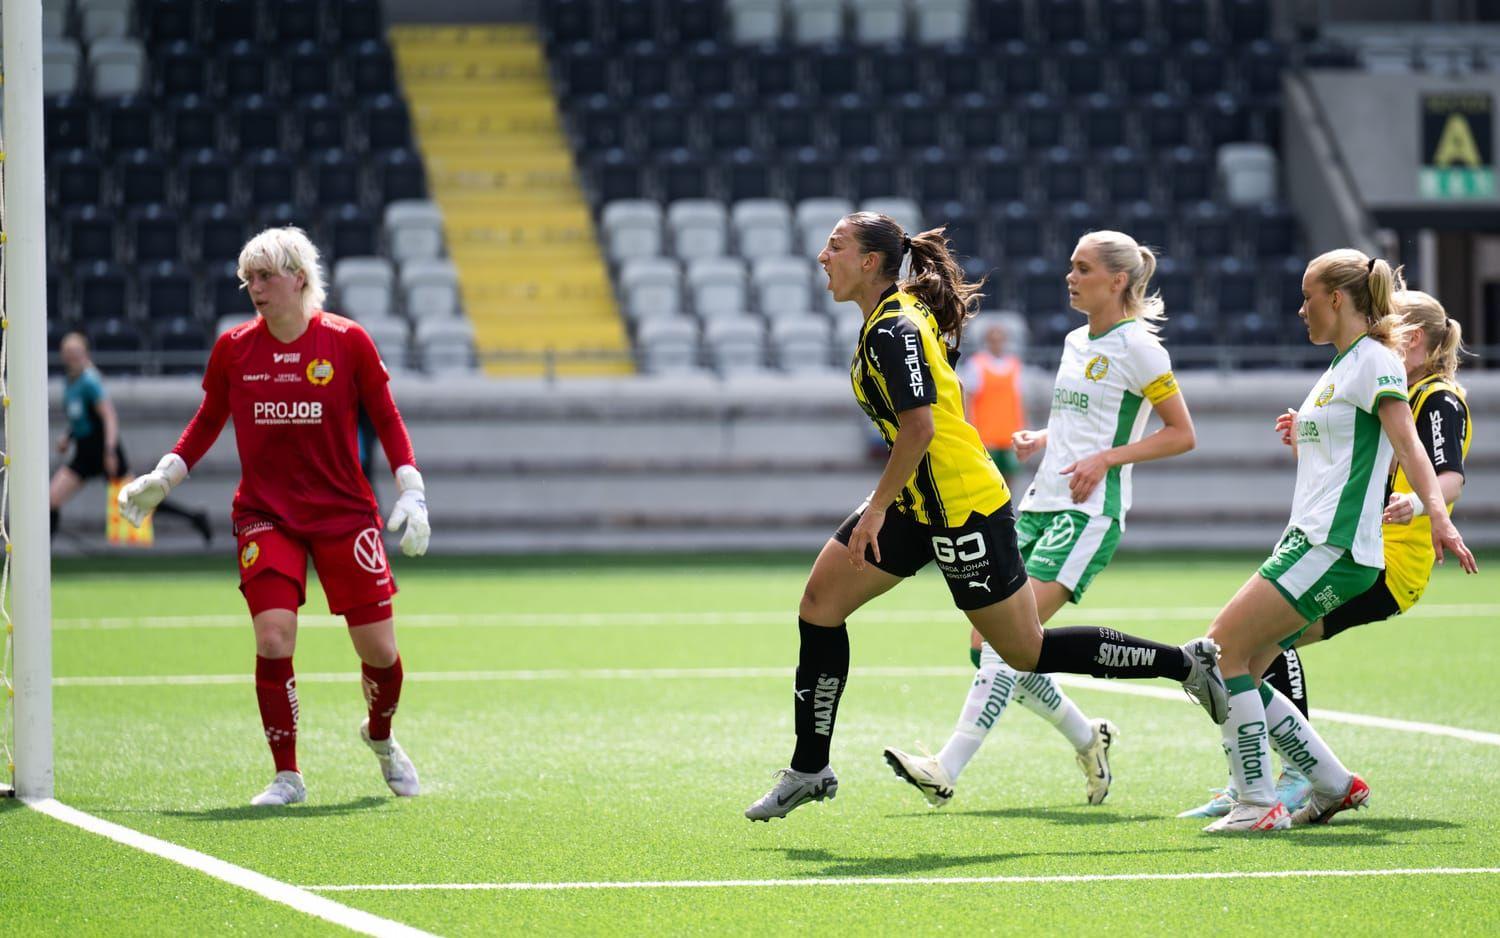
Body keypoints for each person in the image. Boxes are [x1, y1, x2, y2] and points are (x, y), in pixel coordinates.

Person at [744, 213, 1228, 823]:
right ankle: (810, 768)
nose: (822, 257)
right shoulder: (891, 318)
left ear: (870, 262)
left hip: (963, 506)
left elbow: (919, 429)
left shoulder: (893, 327)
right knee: (819, 605)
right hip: (919, 502)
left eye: (834, 246)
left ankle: (1186, 664)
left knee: (1023, 651)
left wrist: (873, 510)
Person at [118, 228, 432, 807]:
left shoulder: (348, 342)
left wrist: (410, 489)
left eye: (265, 277)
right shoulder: (235, 347)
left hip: (344, 512)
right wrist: (165, 476)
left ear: (298, 279)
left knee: (380, 654)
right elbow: (209, 418)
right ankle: (287, 775)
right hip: (267, 513)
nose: (254, 289)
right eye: (249, 279)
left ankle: (381, 738)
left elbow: (386, 417)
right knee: (272, 636)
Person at [885, 231, 1197, 809]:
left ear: (1117, 281)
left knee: (1009, 643)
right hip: (1038, 503)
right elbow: (1089, 421)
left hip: (1088, 513)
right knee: (988, 643)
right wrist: (1045, 438)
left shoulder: (1142, 349)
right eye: (1071, 267)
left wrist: (1106, 459)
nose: (1069, 277)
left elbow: (1182, 434)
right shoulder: (1077, 339)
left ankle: (945, 766)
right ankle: (1088, 736)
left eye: (1082, 269)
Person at [1189, 251, 1476, 834]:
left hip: (1333, 547)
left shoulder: (1373, 361)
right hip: (1311, 540)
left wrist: (1437, 514)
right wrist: (1306, 434)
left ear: (1338, 299)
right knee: (1247, 659)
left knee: (1217, 652)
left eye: (1307, 297)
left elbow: (1410, 445)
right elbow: (1349, 457)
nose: (1300, 309)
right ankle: (1332, 783)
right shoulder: (1345, 364)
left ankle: (1258, 801)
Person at [51, 331, 211, 544]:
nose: (72, 357)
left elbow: (108, 417)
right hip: (84, 451)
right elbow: (82, 416)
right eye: (68, 352)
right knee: (52, 499)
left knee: (138, 499)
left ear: (85, 353)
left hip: (104, 450)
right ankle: (44, 554)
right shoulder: (70, 382)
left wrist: (109, 451)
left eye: (76, 352)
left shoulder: (90, 381)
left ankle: (195, 518)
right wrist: (68, 437)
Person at [961, 321, 1026, 484]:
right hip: (985, 434)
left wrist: (1021, 427)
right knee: (987, 479)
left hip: (1008, 434)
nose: (997, 344)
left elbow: (1018, 400)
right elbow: (968, 399)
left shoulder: (1014, 365)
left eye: (1000, 340)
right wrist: (969, 427)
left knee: (1009, 478)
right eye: (993, 340)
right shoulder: (976, 364)